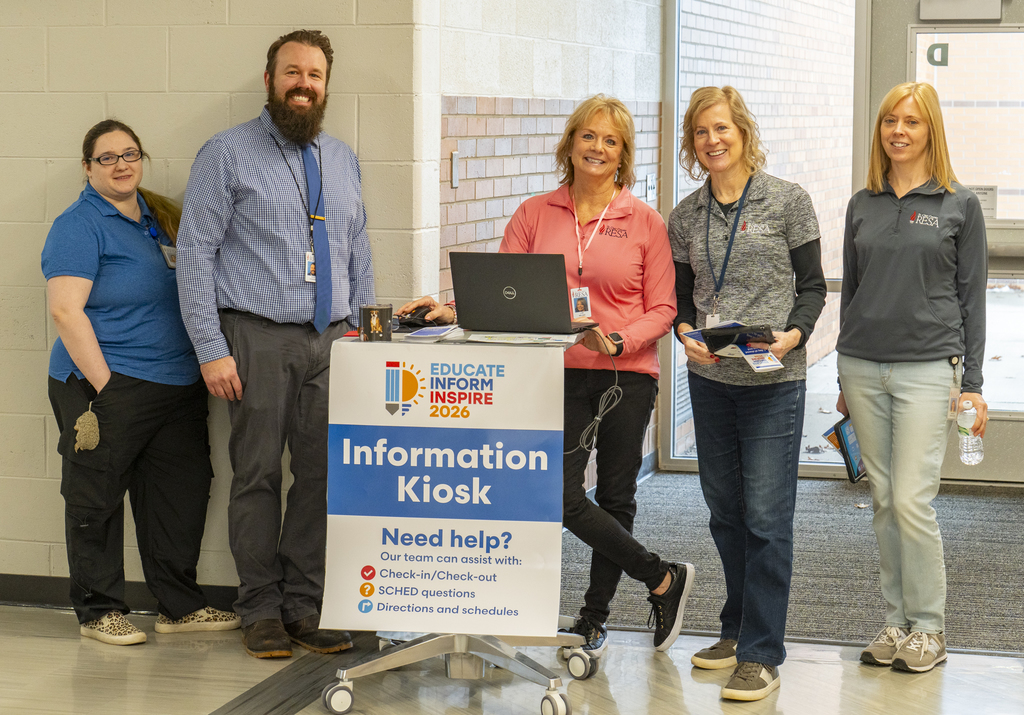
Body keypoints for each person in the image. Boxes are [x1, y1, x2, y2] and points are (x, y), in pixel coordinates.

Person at [399, 94, 695, 659]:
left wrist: (617, 338)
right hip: (554, 373)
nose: (598, 148)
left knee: (615, 496)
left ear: (623, 154)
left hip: (624, 375)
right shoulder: (535, 214)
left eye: (611, 141)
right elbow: (503, 292)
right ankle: (661, 577)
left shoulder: (645, 221)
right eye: (589, 136)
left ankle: (593, 619)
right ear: (571, 143)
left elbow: (663, 309)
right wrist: (452, 308)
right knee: (558, 494)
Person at [176, 29, 375, 659]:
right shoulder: (226, 153)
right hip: (255, 337)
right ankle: (259, 607)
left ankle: (303, 605)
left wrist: (365, 333)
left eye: (314, 75)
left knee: (319, 477)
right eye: (292, 72)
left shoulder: (342, 159)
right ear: (270, 80)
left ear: (325, 86)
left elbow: (357, 248)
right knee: (257, 476)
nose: (303, 84)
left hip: (332, 340)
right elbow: (194, 252)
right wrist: (210, 347)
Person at [42, 120, 240, 646]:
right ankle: (98, 610)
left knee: (180, 494)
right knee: (95, 496)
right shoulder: (79, 224)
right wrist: (108, 386)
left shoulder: (158, 216)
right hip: (107, 383)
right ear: (87, 168)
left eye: (130, 153)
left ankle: (178, 605)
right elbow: (65, 311)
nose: (121, 164)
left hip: (176, 383)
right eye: (106, 158)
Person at [669, 86, 826, 701]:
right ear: (693, 142)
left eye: (722, 129)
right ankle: (735, 629)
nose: (713, 141)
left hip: (773, 380)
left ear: (743, 132)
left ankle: (762, 654)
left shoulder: (788, 201)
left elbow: (812, 288)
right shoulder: (685, 215)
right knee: (725, 512)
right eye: (701, 132)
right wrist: (684, 332)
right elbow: (683, 300)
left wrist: (794, 335)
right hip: (710, 380)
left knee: (766, 517)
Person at [836, 81, 988, 674]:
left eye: (913, 122)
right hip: (862, 364)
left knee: (911, 498)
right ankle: (896, 622)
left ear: (931, 131)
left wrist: (971, 381)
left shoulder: (958, 204)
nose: (899, 131)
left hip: (930, 367)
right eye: (890, 121)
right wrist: (846, 378)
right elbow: (851, 292)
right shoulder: (863, 203)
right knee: (881, 498)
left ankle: (930, 628)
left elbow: (972, 298)